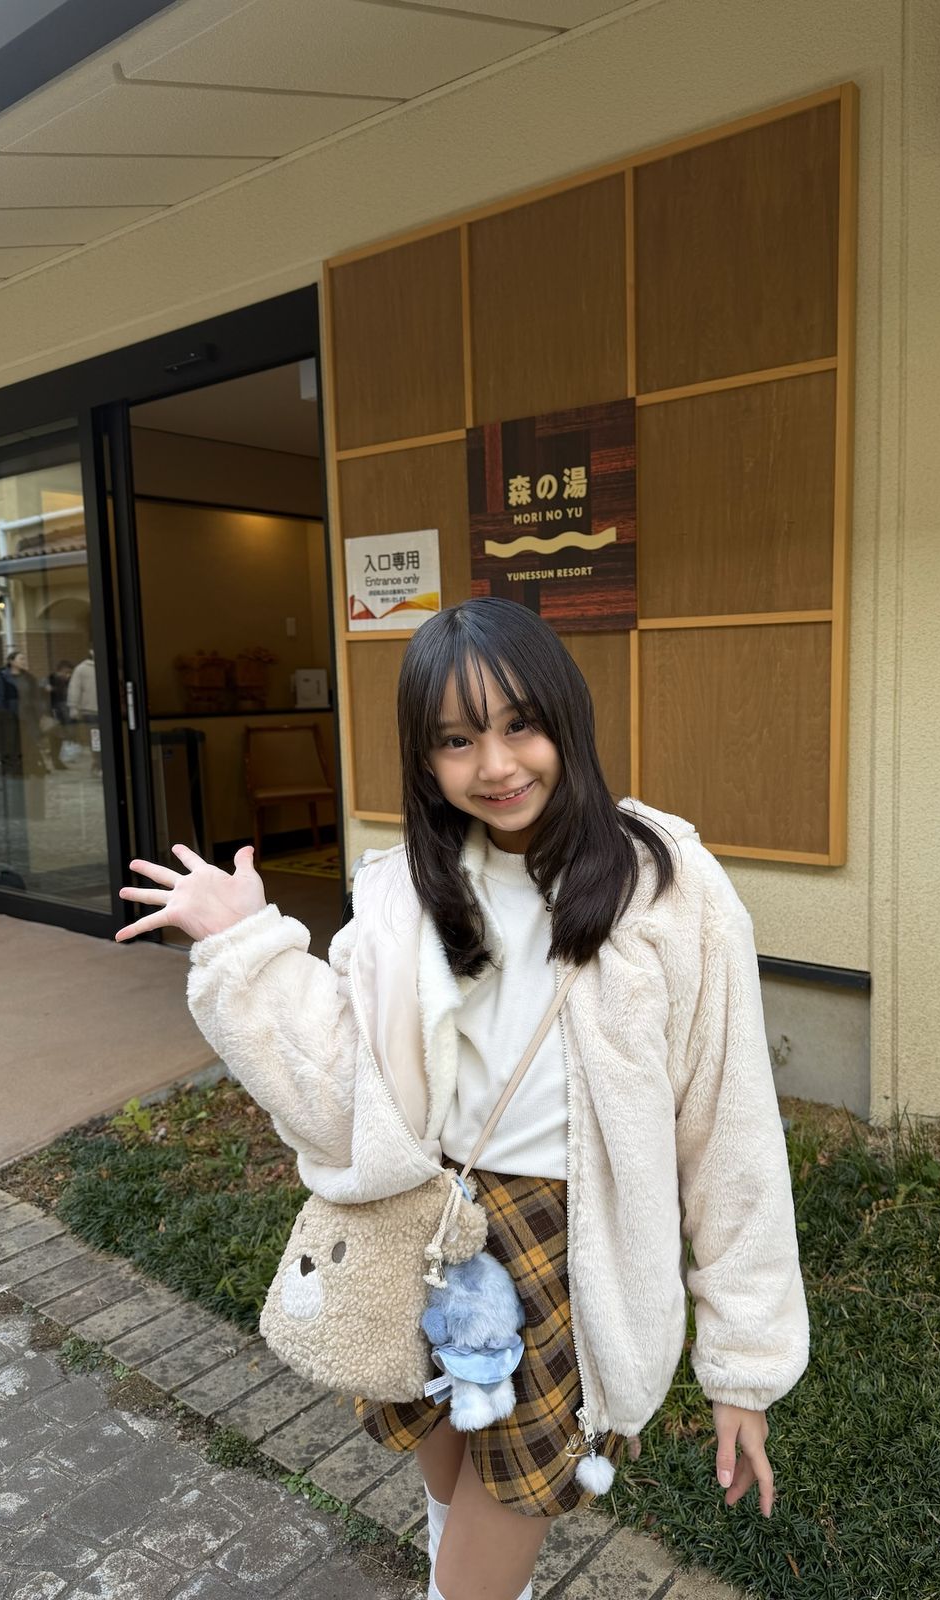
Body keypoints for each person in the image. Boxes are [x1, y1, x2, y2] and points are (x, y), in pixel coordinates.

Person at [117, 597, 808, 1600]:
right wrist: (245, 948)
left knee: (481, 1560)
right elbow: (346, 1097)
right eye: (457, 739)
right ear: (424, 755)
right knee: (449, 1496)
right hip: (432, 1230)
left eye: (519, 724)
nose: (495, 764)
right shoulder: (403, 891)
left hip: (569, 1250)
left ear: (566, 716)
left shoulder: (666, 885)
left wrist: (744, 1366)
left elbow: (729, 1130)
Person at [0, 646, 44, 778]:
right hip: (11, 715)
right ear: (12, 661)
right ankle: (14, 770)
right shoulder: (2, 677)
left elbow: (36, 697)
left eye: (24, 659)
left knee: (29, 742)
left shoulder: (29, 678)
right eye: (21, 659)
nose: (23, 661)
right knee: (12, 743)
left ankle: (30, 768)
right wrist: (2, 714)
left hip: (28, 715)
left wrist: (39, 713)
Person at [66, 648, 99, 773]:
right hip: (90, 711)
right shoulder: (82, 669)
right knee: (95, 739)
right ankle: (98, 762)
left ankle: (101, 763)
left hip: (107, 711)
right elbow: (74, 688)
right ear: (91, 651)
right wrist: (73, 707)